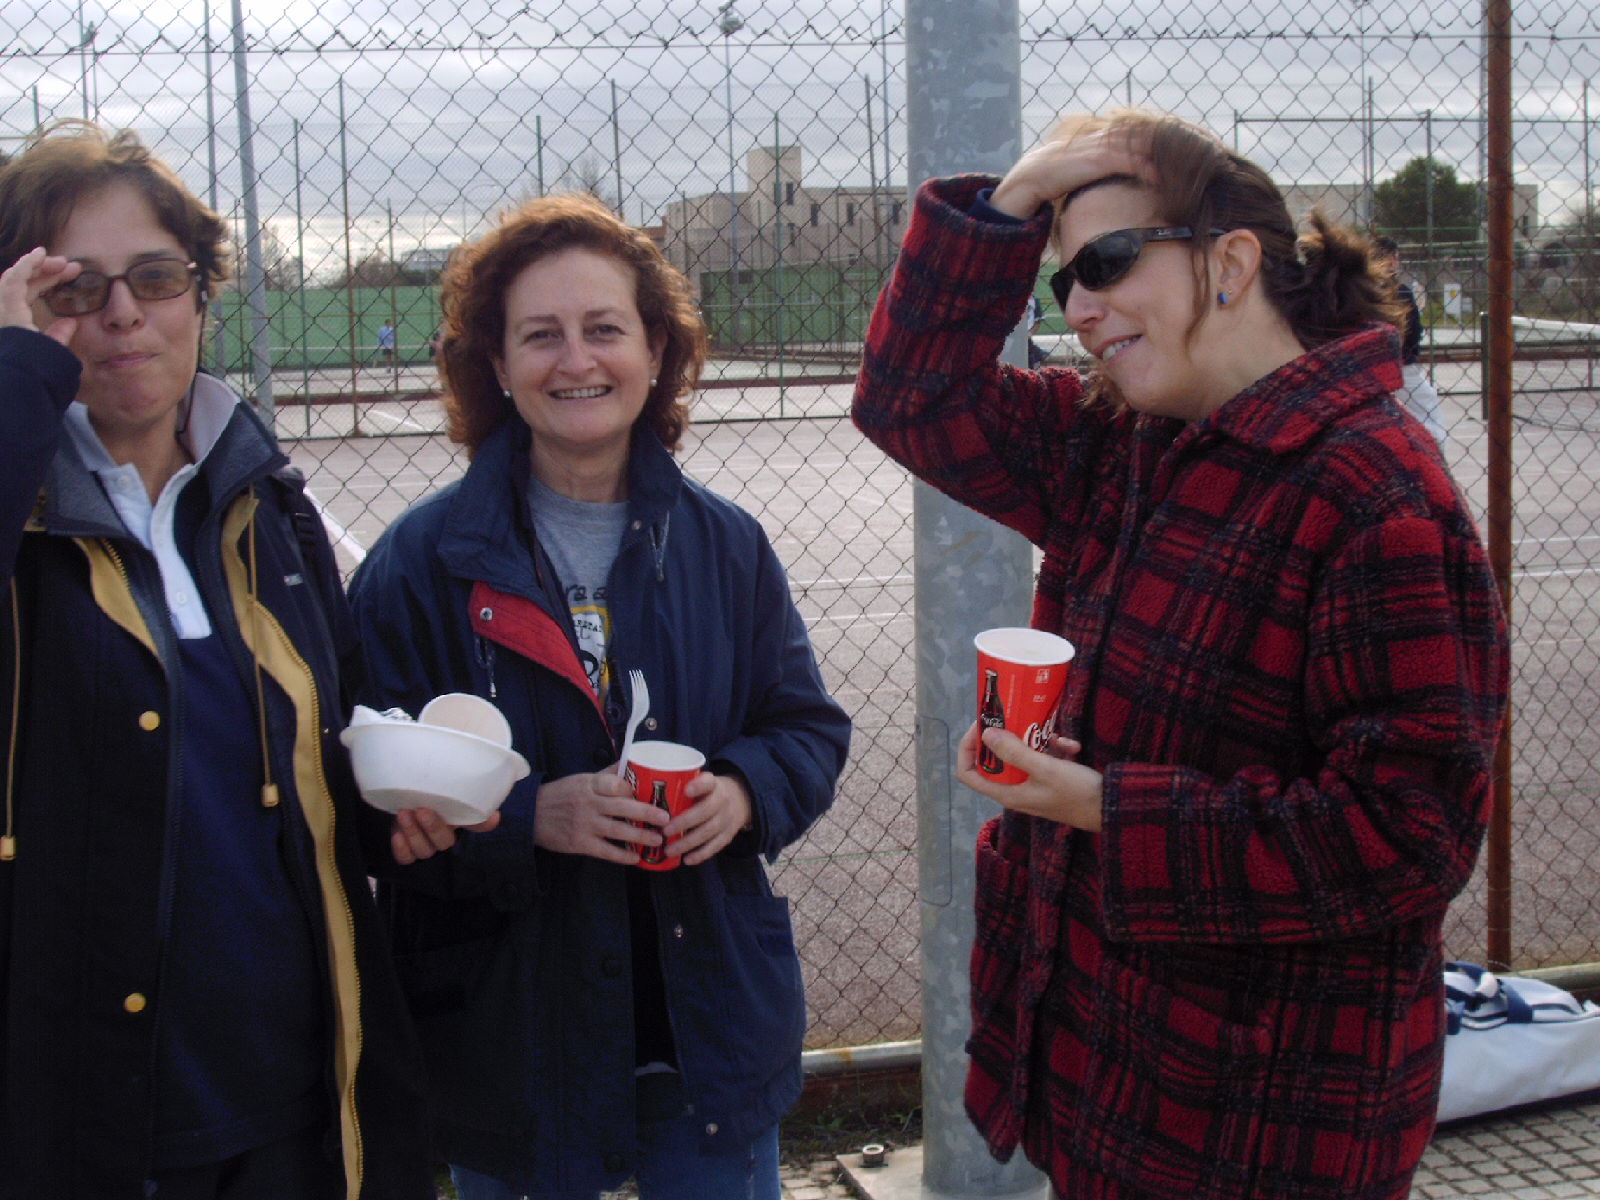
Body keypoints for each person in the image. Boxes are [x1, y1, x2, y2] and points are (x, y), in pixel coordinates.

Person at [852, 110, 1509, 1200]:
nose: (1080, 307)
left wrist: (1104, 806)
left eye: (1108, 261)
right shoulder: (1122, 442)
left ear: (1232, 263)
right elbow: (912, 397)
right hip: (1110, 1084)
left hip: (1264, 1133)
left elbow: (1406, 837)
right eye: (1064, 280)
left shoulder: (1378, 496)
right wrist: (1006, 207)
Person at [347, 191, 851, 1200]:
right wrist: (529, 817)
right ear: (496, 365)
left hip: (706, 1037)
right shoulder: (420, 562)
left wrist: (742, 793)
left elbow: (805, 728)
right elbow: (354, 797)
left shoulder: (726, 544)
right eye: (540, 334)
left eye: (604, 329)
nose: (576, 360)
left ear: (656, 350)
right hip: (512, 1047)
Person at [0, 121, 436, 1199]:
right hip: (87, 1123)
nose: (121, 313)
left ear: (201, 295)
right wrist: (15, 383)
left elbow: (317, 759)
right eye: (73, 288)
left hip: (290, 1104)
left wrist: (395, 808)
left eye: (156, 277)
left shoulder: (266, 505)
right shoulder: (23, 515)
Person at [1375, 234, 1449, 449]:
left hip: (1372, 365)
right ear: (1390, 259)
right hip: (1402, 365)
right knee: (1428, 411)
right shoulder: (1400, 291)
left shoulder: (1360, 291)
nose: (1396, 262)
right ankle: (1436, 454)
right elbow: (1413, 331)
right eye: (1395, 257)